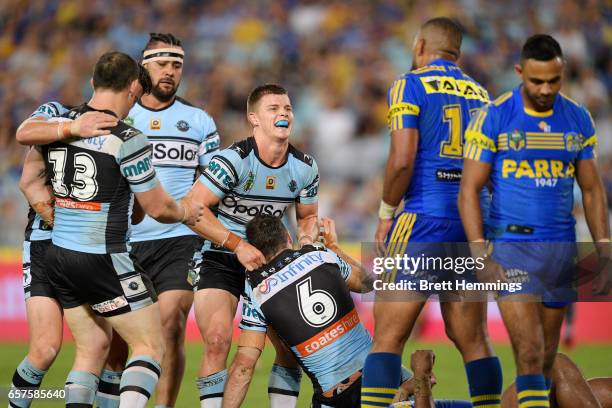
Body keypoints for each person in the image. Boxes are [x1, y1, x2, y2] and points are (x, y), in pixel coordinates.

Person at [28, 51, 202, 408]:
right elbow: (156, 208)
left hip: (58, 255)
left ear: (94, 82)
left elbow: (30, 180)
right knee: (151, 347)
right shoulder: (126, 137)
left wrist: (50, 210)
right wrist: (186, 210)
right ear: (136, 87)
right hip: (103, 256)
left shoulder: (60, 123)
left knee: (92, 349)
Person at [458, 34, 610, 408]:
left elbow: (591, 190)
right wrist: (480, 252)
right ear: (519, 72)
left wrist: (604, 247)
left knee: (544, 361)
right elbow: (469, 190)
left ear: (563, 74)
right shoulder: (494, 117)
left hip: (561, 248)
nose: (545, 89)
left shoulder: (577, 118)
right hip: (512, 247)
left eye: (553, 81)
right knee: (527, 354)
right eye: (536, 81)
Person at [363, 17, 501, 408]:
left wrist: (387, 212)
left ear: (420, 45)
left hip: (425, 217)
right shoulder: (482, 94)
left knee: (388, 337)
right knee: (474, 340)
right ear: (457, 52)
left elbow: (403, 160)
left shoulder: (409, 84)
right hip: (473, 221)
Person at [98, 32, 221, 408]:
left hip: (180, 238)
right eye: (163, 64)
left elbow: (214, 186)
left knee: (170, 324)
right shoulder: (121, 116)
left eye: (177, 65)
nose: (170, 72)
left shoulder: (199, 121)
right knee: (120, 340)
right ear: (143, 66)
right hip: (124, 241)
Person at [185, 83, 320, 407]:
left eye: (287, 108)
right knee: (218, 340)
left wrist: (304, 240)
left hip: (270, 261)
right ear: (254, 119)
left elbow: (307, 217)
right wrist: (236, 245)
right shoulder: (232, 161)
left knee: (289, 348)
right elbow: (192, 210)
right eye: (273, 109)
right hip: (221, 254)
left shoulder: (305, 167)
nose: (283, 113)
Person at [224, 215, 414, 408]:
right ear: (288, 237)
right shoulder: (319, 254)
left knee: (284, 352)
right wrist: (335, 247)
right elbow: (366, 283)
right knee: (418, 386)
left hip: (338, 396)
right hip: (382, 374)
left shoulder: (257, 289)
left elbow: (244, 367)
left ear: (255, 252)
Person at [9, 103, 118, 408]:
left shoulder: (123, 129)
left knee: (103, 346)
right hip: (44, 243)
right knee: (45, 349)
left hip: (89, 246)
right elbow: (26, 167)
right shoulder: (60, 114)